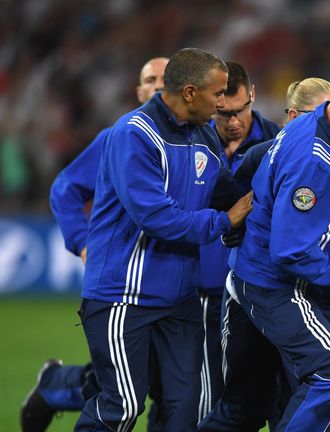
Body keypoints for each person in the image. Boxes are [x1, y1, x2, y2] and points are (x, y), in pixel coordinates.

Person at [75, 48, 252, 432]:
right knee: (121, 406)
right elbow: (157, 218)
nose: (222, 104)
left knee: (184, 412)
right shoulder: (133, 134)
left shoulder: (204, 134)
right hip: (124, 298)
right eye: (217, 93)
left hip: (179, 302)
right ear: (190, 92)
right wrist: (224, 221)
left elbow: (225, 192)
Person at [231, 75, 330, 431]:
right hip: (282, 286)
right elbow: (290, 251)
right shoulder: (314, 163)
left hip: (306, 284)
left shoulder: (323, 122)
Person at [21, 57, 169, 432]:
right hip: (128, 285)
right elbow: (66, 189)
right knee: (135, 384)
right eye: (150, 80)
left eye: (167, 78)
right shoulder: (117, 139)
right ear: (139, 93)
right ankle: (59, 386)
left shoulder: (200, 139)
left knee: (160, 379)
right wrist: (83, 242)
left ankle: (58, 386)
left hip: (183, 283)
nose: (158, 85)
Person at [198, 77, 330, 432]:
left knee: (293, 401)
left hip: (303, 298)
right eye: (317, 113)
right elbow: (233, 203)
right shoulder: (263, 155)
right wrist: (233, 229)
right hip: (260, 291)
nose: (329, 122)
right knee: (243, 408)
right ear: (292, 115)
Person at [195, 60, 280, 421]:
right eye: (222, 113)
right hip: (197, 293)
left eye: (240, 110)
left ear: (253, 96)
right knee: (203, 399)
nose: (232, 122)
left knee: (263, 398)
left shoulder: (278, 143)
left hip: (254, 292)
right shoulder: (191, 142)